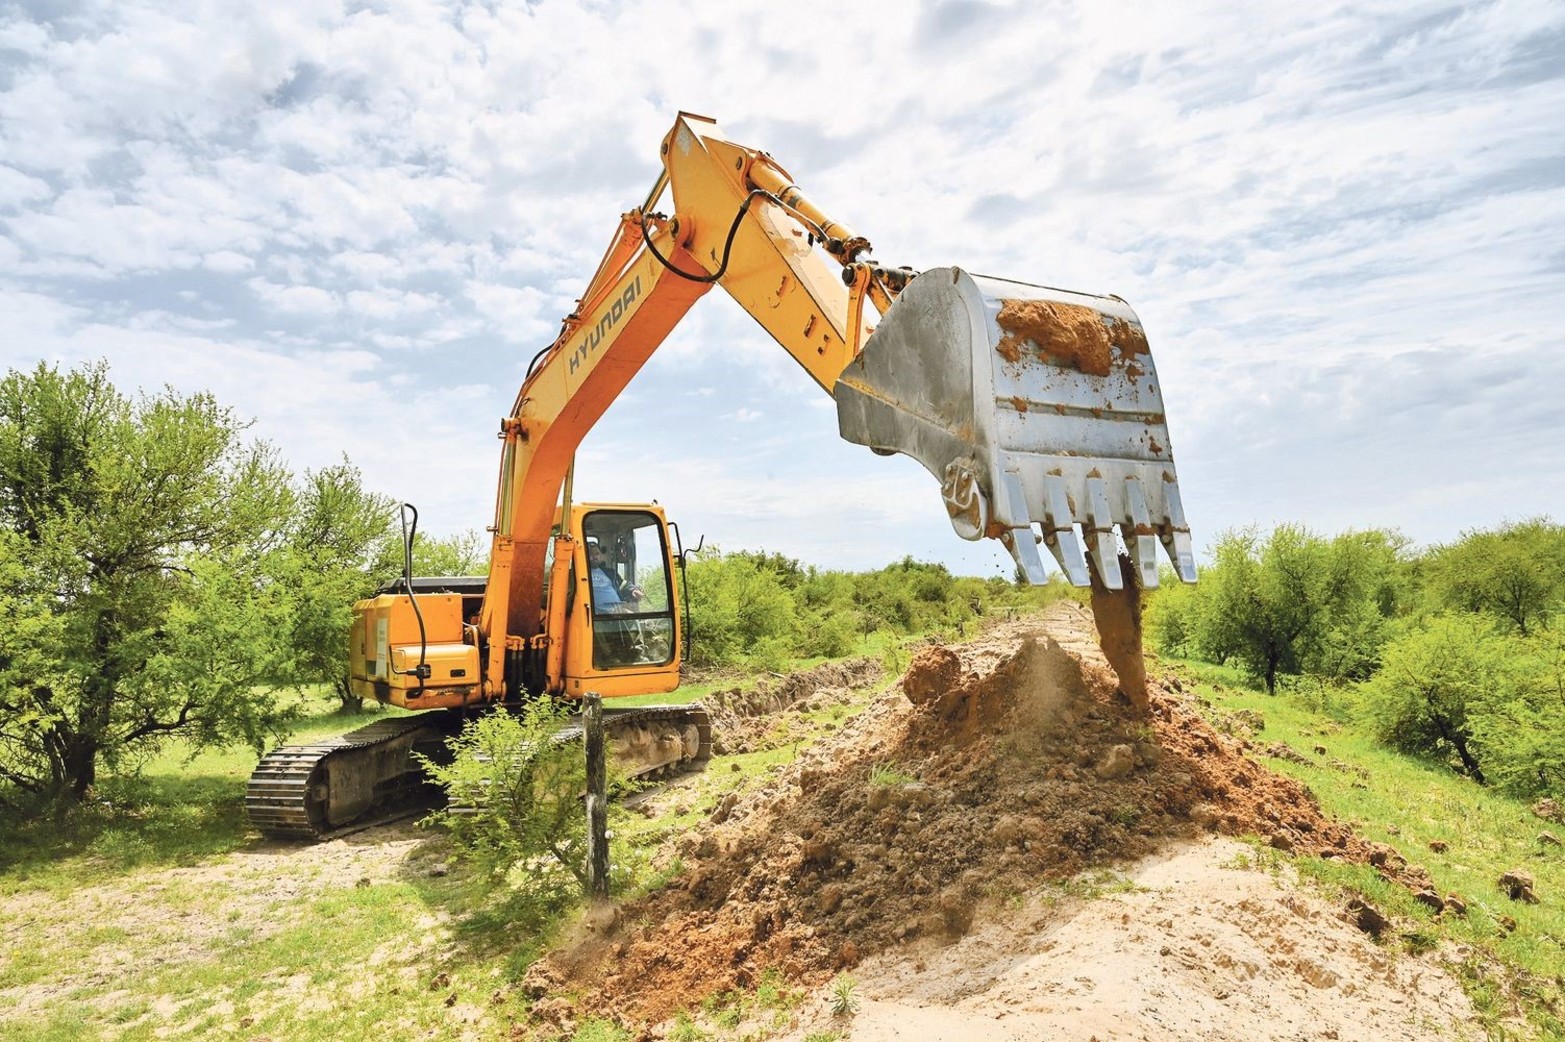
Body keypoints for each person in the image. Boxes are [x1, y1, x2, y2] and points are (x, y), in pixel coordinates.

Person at [588, 541, 642, 612]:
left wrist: (633, 590)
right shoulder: (576, 575)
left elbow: (624, 585)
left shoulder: (610, 573)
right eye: (590, 554)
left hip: (618, 612)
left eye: (597, 554)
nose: (594, 557)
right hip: (596, 617)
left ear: (600, 555)